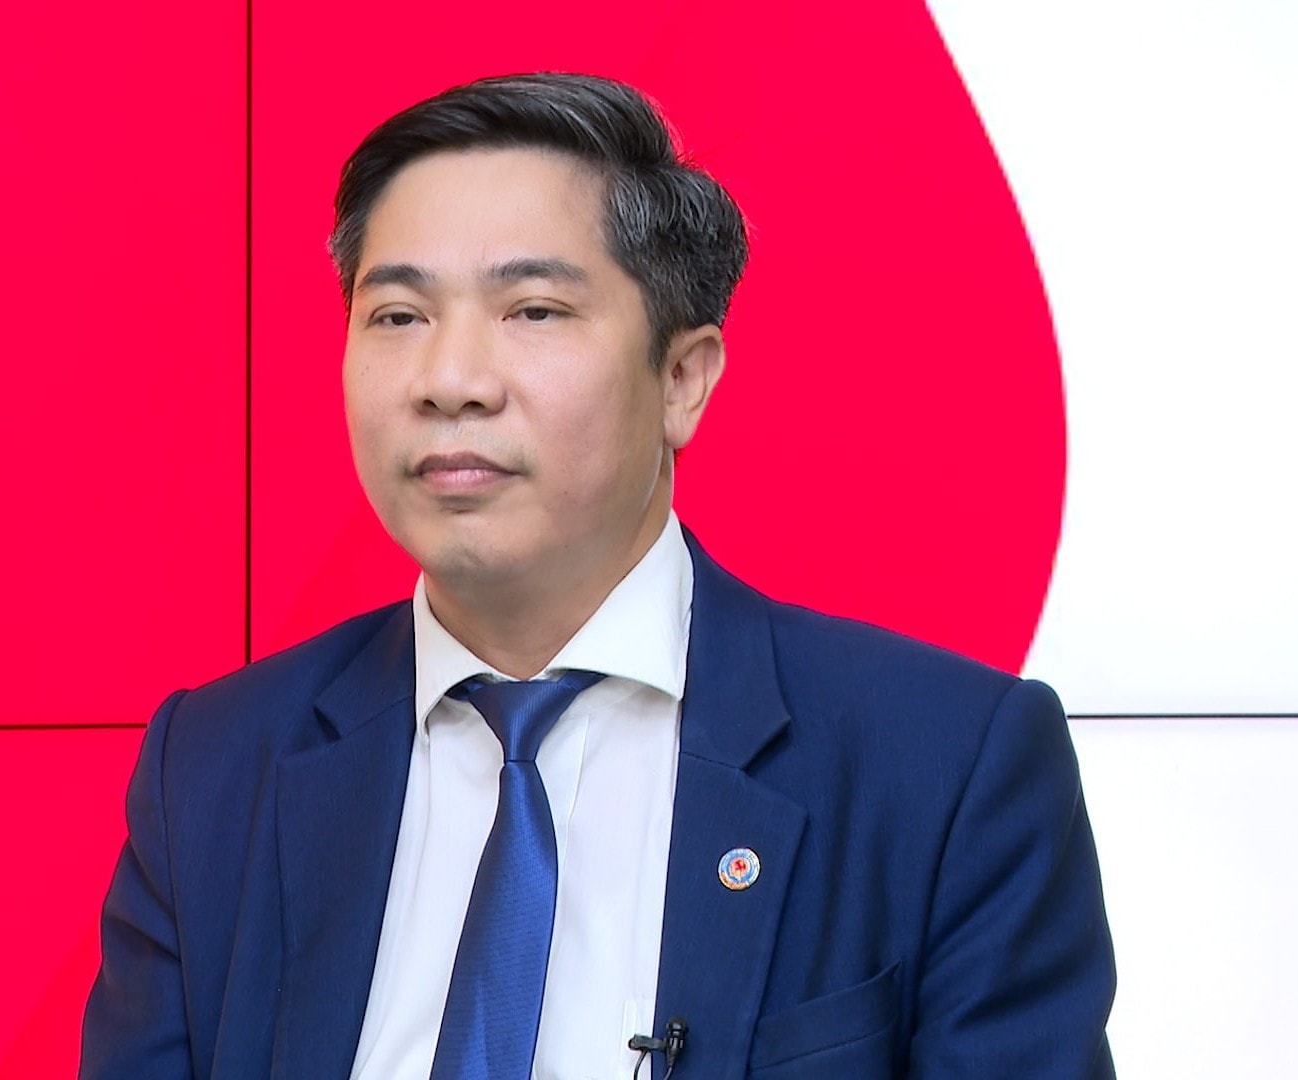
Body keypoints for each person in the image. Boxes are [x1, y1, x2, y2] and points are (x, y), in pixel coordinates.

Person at [81, 73, 1115, 1079]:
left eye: (533, 310)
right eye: (398, 316)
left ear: (682, 378)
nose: (451, 381)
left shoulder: (945, 767)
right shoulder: (215, 771)